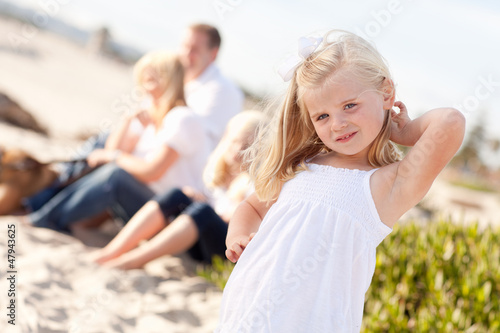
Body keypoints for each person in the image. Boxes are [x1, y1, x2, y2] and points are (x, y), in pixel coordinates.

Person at [215, 30, 466, 332]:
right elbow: (252, 208)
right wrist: (238, 237)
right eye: (321, 116)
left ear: (387, 93)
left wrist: (405, 132)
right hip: (246, 311)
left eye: (349, 106)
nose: (338, 123)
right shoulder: (302, 166)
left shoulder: (387, 185)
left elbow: (450, 122)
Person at [27, 51, 211, 232]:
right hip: (144, 201)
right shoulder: (153, 114)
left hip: (166, 211)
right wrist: (127, 121)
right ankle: (37, 205)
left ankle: (45, 218)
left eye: (148, 81)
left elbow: (151, 171)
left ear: (166, 81)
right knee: (107, 163)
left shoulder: (182, 119)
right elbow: (111, 149)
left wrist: (114, 156)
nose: (143, 89)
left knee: (116, 175)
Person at [90, 110, 265, 269]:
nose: (238, 150)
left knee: (202, 211)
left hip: (226, 249)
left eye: (247, 146)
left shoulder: (251, 184)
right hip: (198, 234)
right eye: (235, 141)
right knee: (177, 195)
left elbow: (238, 223)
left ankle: (131, 261)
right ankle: (111, 252)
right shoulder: (215, 172)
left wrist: (204, 205)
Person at [180, 23, 244, 150]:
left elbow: (190, 138)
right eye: (185, 46)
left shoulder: (224, 91)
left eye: (195, 49)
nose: (187, 53)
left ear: (213, 54)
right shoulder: (178, 78)